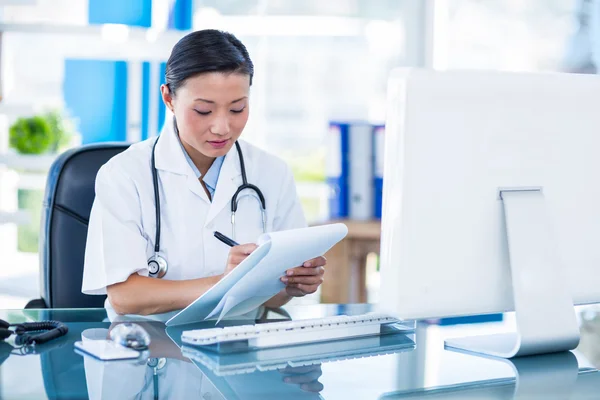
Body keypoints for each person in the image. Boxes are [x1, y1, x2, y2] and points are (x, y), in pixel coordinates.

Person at [81, 29, 326, 316]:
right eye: (203, 111)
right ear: (169, 98)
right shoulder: (124, 174)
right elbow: (125, 295)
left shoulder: (272, 173)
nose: (222, 127)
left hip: (240, 347)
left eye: (237, 109)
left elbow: (272, 298)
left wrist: (291, 284)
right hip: (147, 348)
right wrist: (226, 283)